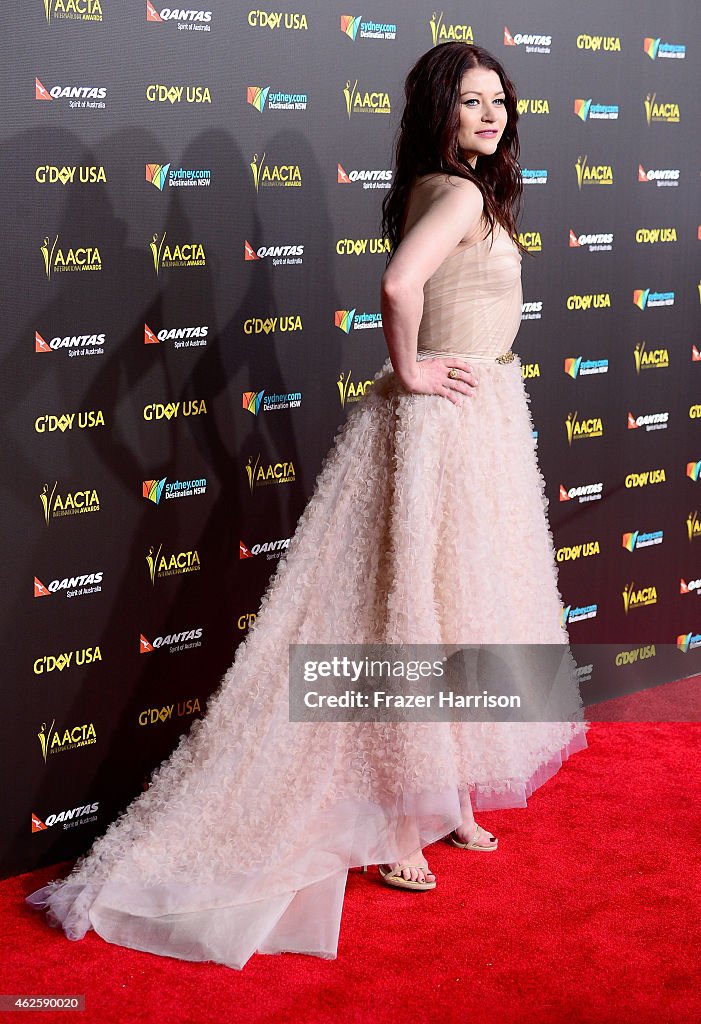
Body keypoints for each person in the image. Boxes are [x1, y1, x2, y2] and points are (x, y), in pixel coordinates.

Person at [26, 42, 588, 968]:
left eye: (499, 101)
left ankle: (438, 801)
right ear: (438, 112)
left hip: (471, 421)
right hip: (442, 425)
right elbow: (400, 287)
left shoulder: (448, 187)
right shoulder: (450, 194)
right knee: (410, 620)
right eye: (471, 102)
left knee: (449, 610)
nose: (490, 117)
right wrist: (409, 370)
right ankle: (398, 825)